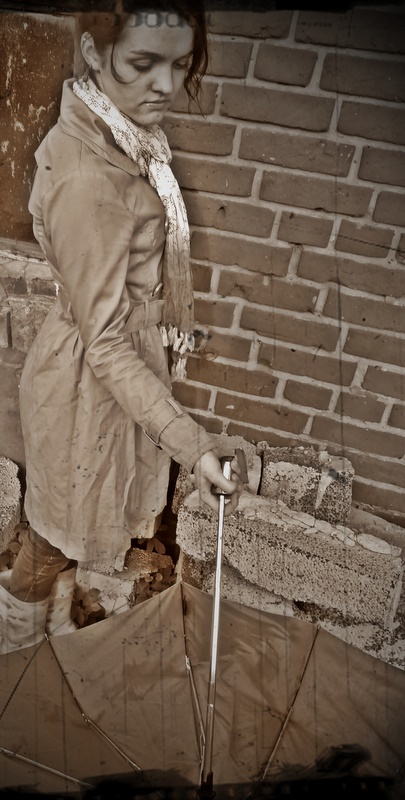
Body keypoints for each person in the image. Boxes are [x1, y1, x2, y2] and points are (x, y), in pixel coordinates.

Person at [0, 0, 244, 655]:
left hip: (110, 372)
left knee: (76, 528)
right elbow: (104, 338)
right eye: (142, 63)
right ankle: (15, 647)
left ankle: (50, 632)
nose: (165, 85)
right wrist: (193, 444)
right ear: (93, 52)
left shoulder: (125, 139)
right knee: (55, 537)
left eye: (179, 65)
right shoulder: (89, 175)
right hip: (89, 380)